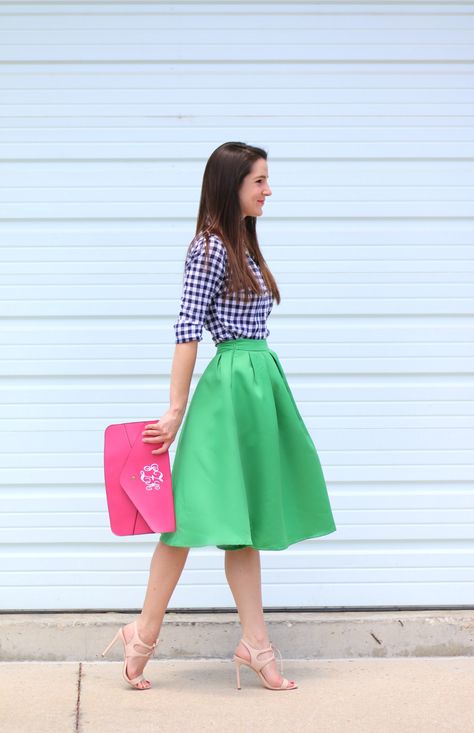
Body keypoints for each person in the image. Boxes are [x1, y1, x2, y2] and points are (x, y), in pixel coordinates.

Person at [101, 141, 337, 691]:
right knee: (182, 523)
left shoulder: (245, 245)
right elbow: (187, 330)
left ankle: (254, 643)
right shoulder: (208, 248)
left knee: (244, 526)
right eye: (259, 181)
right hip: (227, 392)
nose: (268, 190)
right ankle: (144, 632)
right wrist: (176, 410)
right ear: (232, 185)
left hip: (257, 389)